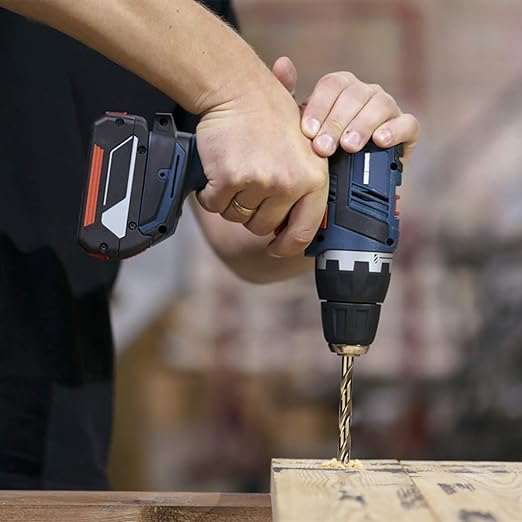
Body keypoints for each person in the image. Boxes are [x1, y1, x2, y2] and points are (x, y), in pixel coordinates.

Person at [0, 0, 420, 489]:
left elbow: (237, 231)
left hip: (51, 429)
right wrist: (239, 86)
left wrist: (324, 178)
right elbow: (230, 92)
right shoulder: (219, 62)